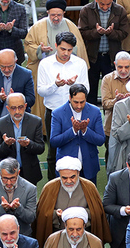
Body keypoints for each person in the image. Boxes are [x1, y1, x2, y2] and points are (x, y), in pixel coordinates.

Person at [37, 34, 90, 181]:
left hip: (77, 111)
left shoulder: (80, 63)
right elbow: (41, 90)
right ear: (56, 46)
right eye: (63, 49)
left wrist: (75, 87)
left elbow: (87, 88)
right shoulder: (45, 64)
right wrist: (56, 85)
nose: (66, 53)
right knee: (53, 151)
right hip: (54, 113)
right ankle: (53, 187)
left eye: (69, 50)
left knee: (78, 148)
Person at [24, 2, 89, 124]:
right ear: (47, 12)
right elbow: (28, 45)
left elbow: (79, 48)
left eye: (59, 15)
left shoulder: (71, 26)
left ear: (64, 13)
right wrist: (40, 50)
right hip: (46, 70)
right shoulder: (37, 27)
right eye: (53, 14)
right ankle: (43, 131)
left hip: (70, 69)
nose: (56, 18)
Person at [0, 49, 36, 176]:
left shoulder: (26, 74)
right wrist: (0, 98)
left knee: (21, 159)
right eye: (2, 66)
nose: (6, 70)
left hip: (19, 125)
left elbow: (31, 99)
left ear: (16, 61)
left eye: (10, 66)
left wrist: (15, 99)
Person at [47, 85, 105, 184]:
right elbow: (54, 141)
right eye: (76, 102)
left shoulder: (95, 111)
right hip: (66, 168)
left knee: (89, 198)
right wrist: (73, 131)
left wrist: (85, 130)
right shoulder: (57, 113)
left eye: (82, 102)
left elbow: (100, 140)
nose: (79, 106)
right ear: (70, 98)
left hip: (89, 166)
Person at [79, 0, 129, 105]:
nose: (105, 7)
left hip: (111, 57)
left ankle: (111, 118)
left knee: (111, 92)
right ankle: (92, 118)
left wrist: (111, 33)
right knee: (91, 91)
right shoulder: (86, 10)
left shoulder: (120, 10)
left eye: (108, 4)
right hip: (92, 57)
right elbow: (82, 32)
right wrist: (96, 32)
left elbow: (124, 32)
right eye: (102, 4)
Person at [0, 158, 38, 246]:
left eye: (13, 178)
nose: (9, 182)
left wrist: (18, 208)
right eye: (5, 178)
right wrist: (1, 209)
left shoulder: (30, 188)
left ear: (18, 173)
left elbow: (30, 217)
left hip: (21, 238)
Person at [0, 95, 45, 184]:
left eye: (20, 107)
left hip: (29, 172)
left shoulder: (35, 122)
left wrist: (29, 144)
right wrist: (6, 144)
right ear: (7, 108)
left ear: (25, 106)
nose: (17, 111)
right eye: (13, 108)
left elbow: (41, 148)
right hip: (7, 174)